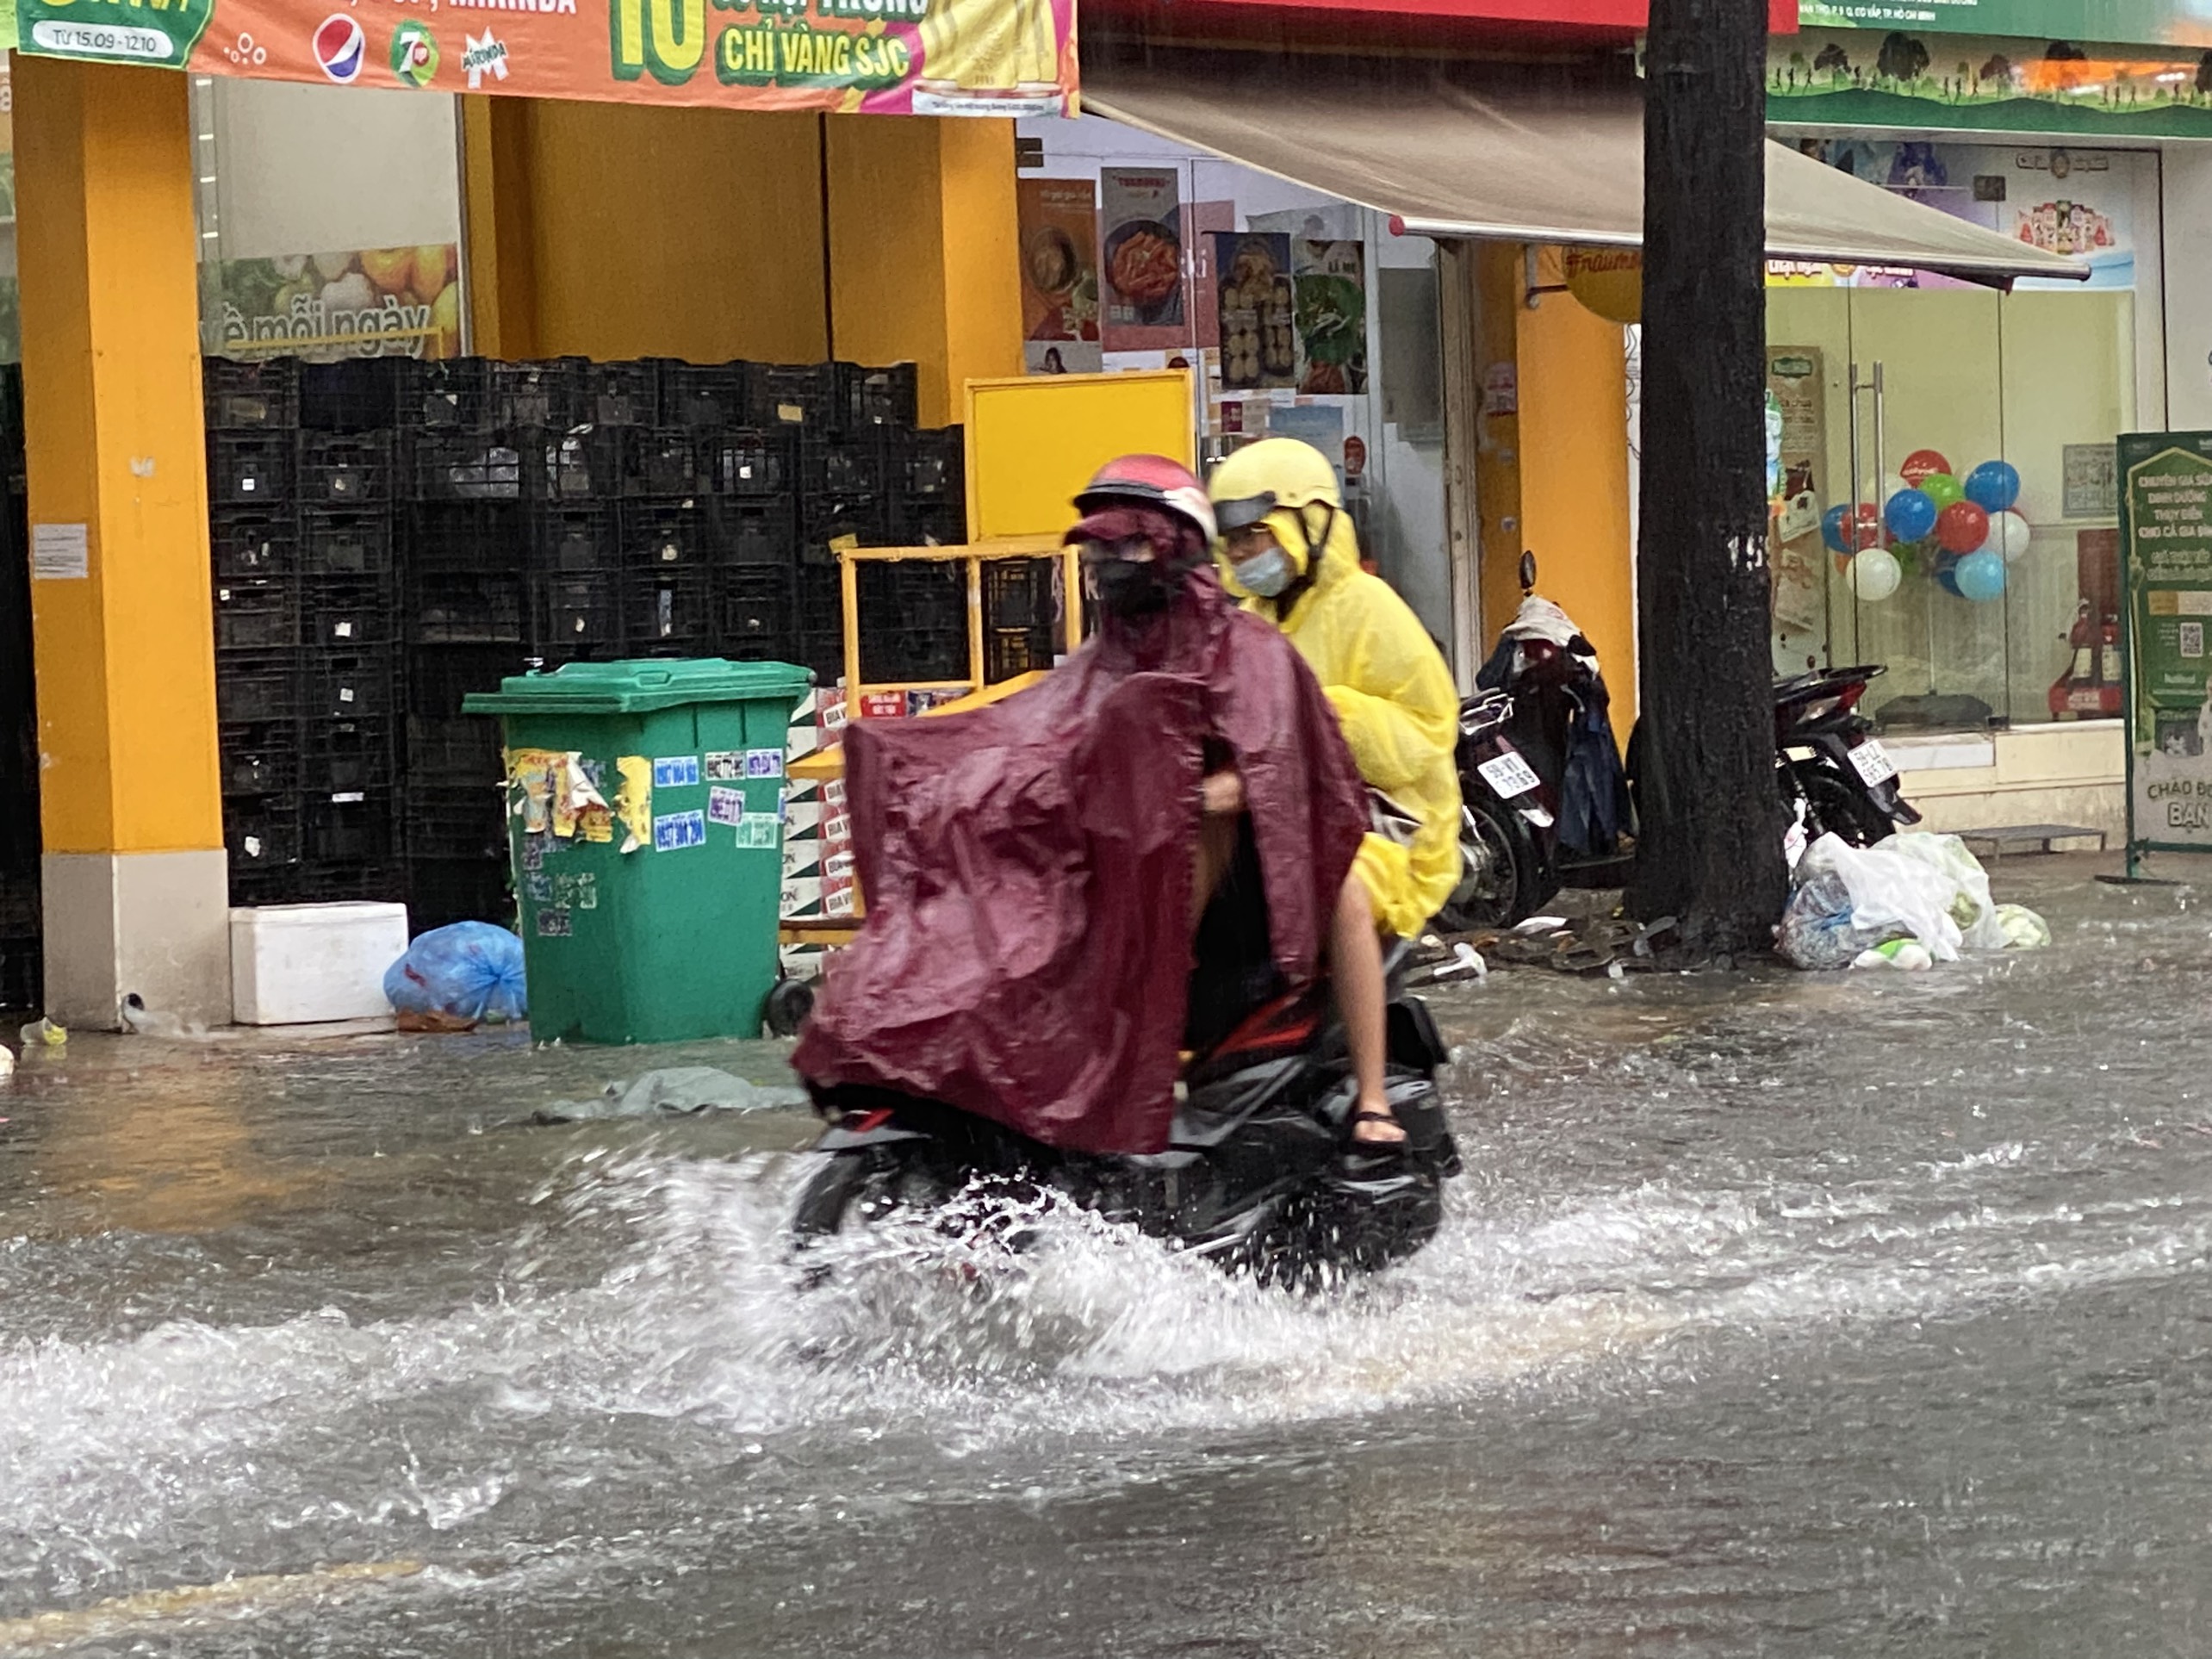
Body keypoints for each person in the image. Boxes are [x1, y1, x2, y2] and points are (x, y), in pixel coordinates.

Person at [792, 456, 1372, 1160]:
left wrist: (1197, 793)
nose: (1108, 563)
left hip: (1238, 891)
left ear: (1173, 545)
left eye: (1126, 544)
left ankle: (1370, 1101)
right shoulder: (1108, 655)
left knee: (1291, 868)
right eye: (1099, 549)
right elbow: (1040, 739)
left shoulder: (1250, 649)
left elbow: (1288, 766)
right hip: (1128, 866)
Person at [1208, 438, 1463, 1145]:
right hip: (1289, 798)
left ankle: (1373, 1101)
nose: (1242, 554)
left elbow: (1431, 730)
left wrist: (1322, 717)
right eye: (1232, 541)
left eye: (1254, 535)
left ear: (1308, 523)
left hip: (1389, 816)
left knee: (1341, 883)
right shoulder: (1252, 621)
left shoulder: (1367, 607)